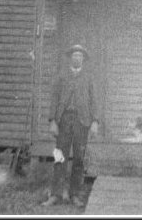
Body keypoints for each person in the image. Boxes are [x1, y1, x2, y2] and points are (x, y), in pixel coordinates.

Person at [41, 44, 99, 207]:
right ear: (70, 58)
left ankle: (75, 195)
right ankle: (56, 195)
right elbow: (54, 99)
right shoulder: (61, 77)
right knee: (59, 157)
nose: (77, 58)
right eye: (74, 55)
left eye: (80, 56)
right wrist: (52, 120)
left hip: (82, 122)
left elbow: (94, 100)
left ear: (83, 60)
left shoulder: (88, 78)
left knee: (79, 159)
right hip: (64, 121)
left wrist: (95, 121)